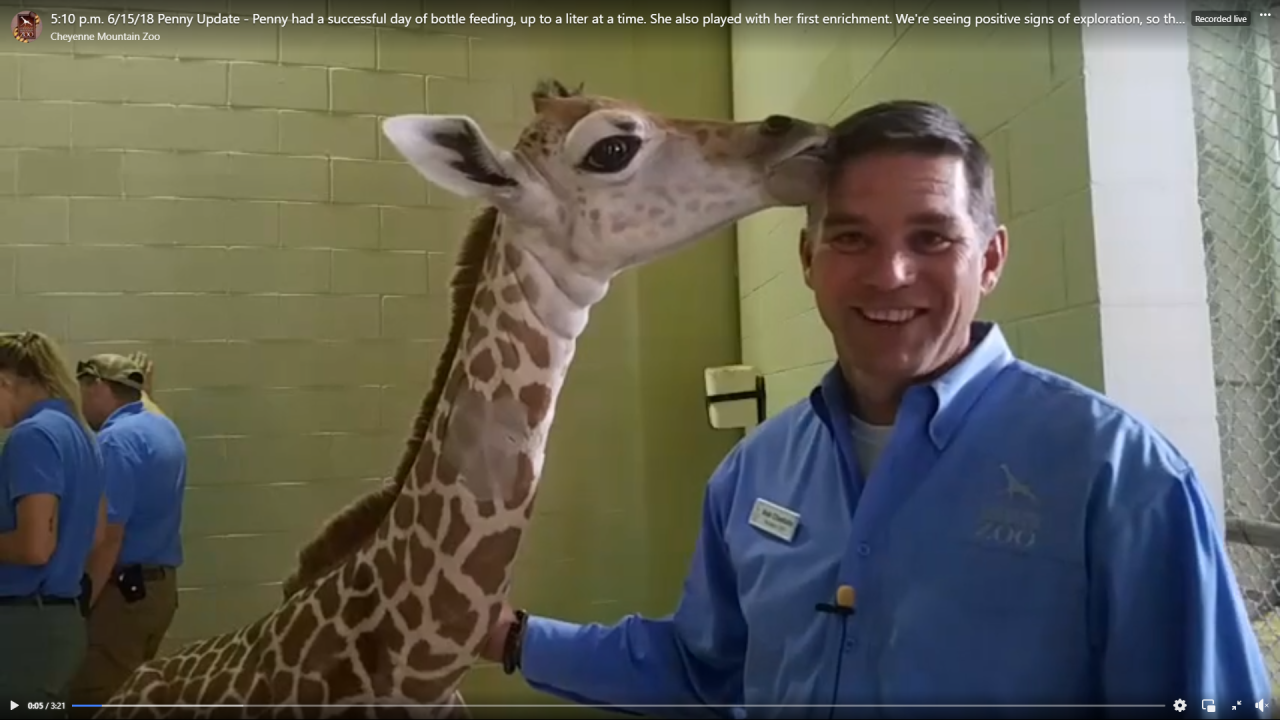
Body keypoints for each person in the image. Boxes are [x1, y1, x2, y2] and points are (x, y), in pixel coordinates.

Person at [477, 101, 1274, 719]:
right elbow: (701, 671)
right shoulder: (751, 475)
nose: (890, 274)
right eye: (851, 239)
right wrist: (511, 638)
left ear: (989, 259)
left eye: (932, 239)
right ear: (807, 259)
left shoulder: (1124, 479)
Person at [68, 353, 186, 712]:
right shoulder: (164, 428)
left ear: (101, 386)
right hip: (158, 592)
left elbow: (110, 536)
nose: (81, 401)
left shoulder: (115, 440)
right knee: (133, 698)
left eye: (84, 390)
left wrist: (83, 601)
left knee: (92, 702)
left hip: (121, 597)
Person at [0, 331, 105, 713]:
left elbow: (35, 547)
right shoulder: (82, 435)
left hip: (23, 628)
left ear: (4, 381)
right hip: (61, 625)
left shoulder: (32, 437)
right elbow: (95, 534)